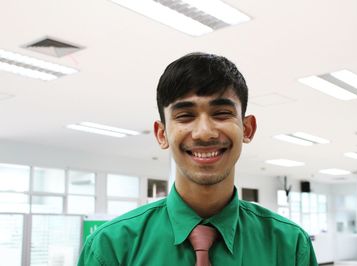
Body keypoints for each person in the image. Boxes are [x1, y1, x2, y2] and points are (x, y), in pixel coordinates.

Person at [78, 53, 318, 265]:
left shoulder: (290, 245)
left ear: (247, 128)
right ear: (162, 134)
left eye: (222, 113)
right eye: (185, 115)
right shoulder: (111, 248)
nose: (204, 132)